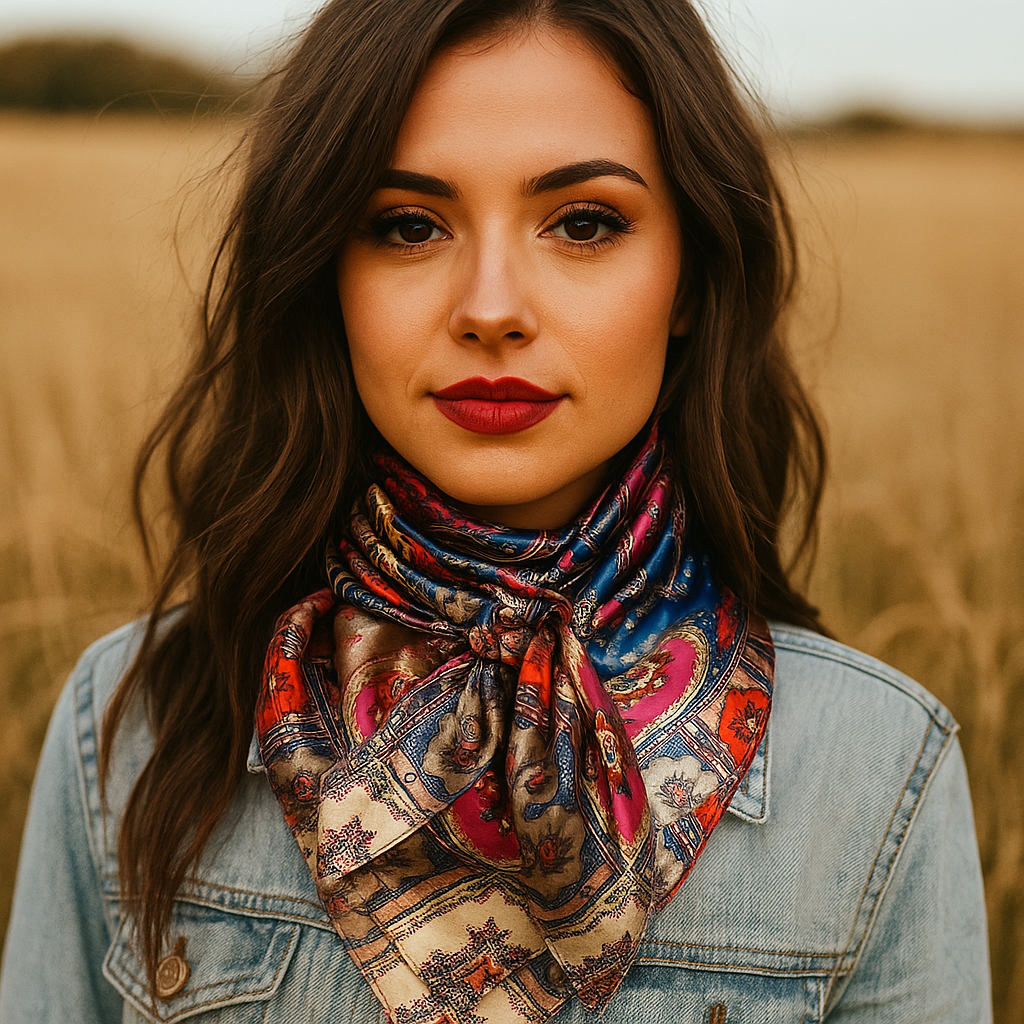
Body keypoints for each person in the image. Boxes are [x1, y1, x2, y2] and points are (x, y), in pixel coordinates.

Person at [0, 0, 992, 1021]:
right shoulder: (131, 722)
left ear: (689, 275)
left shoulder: (877, 768)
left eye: (583, 223)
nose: (489, 306)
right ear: (323, 271)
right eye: (407, 225)